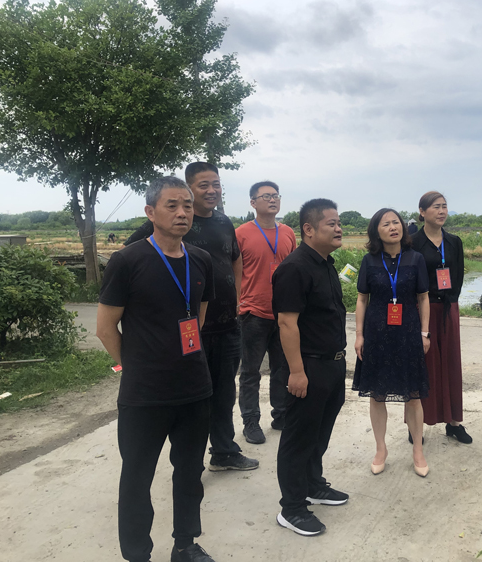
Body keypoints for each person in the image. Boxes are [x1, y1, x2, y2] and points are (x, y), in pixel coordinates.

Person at [96, 176, 218, 562]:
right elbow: (105, 328)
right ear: (150, 212)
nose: (182, 212)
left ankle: (185, 544)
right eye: (172, 205)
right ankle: (138, 554)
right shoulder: (127, 260)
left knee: (190, 473)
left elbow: (198, 318)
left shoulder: (201, 260)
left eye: (187, 205)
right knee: (137, 478)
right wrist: (132, 365)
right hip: (144, 394)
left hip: (194, 388)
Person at [124, 163, 257, 473]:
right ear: (189, 188)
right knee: (194, 399)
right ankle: (190, 465)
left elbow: (235, 259)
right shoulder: (171, 221)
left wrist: (237, 296)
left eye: (216, 184)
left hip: (227, 326)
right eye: (203, 185)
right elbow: (131, 257)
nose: (211, 191)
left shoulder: (224, 221)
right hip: (189, 330)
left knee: (224, 394)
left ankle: (224, 451)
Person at [272, 199, 349, 536]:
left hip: (332, 365)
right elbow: (287, 323)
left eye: (339, 223)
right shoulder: (295, 268)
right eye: (332, 223)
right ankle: (291, 508)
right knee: (298, 438)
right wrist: (297, 371)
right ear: (309, 229)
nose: (339, 229)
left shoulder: (326, 264)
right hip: (308, 367)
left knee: (320, 432)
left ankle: (313, 484)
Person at [353, 208, 431, 477]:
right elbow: (362, 299)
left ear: (402, 227)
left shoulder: (416, 258)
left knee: (413, 395)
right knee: (377, 395)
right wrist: (359, 335)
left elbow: (423, 297)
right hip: (376, 334)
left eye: (396, 222)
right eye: (385, 224)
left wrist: (424, 333)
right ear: (377, 231)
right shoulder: (369, 260)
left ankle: (418, 450)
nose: (392, 227)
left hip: (408, 332)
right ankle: (380, 449)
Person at [235, 181, 297, 444]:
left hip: (283, 314)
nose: (272, 200)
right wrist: (238, 304)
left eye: (275, 195)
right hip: (253, 313)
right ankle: (250, 421)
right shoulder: (241, 234)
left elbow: (295, 270)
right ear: (253, 202)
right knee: (250, 372)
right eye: (266, 196)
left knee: (282, 368)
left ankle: (281, 415)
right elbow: (235, 273)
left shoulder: (288, 233)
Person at [411, 191, 472, 444]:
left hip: (448, 308)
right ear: (422, 211)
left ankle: (453, 422)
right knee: (423, 365)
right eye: (436, 207)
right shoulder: (412, 242)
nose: (442, 211)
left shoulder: (454, 241)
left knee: (450, 363)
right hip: (422, 309)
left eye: (444, 206)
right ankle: (415, 425)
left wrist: (451, 301)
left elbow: (457, 276)